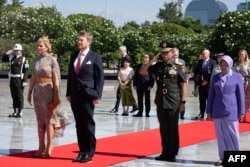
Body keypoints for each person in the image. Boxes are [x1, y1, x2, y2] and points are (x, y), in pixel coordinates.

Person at [140, 46, 187, 162]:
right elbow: (142, 71)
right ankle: (165, 152)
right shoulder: (158, 66)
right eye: (163, 53)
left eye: (167, 53)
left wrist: (183, 101)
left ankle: (172, 153)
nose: (165, 55)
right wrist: (153, 59)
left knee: (172, 128)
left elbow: (183, 84)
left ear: (172, 54)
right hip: (161, 101)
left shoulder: (178, 67)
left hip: (173, 101)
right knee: (164, 128)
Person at [66, 30, 104, 163]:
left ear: (88, 42)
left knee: (88, 124)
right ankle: (82, 151)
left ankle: (89, 152)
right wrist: (69, 93)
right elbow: (71, 76)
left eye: (81, 40)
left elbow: (100, 78)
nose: (79, 42)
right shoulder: (74, 56)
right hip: (75, 95)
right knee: (79, 125)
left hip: (88, 95)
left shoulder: (95, 57)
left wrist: (97, 95)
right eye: (78, 40)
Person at [206, 55, 245, 166]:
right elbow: (211, 95)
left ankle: (236, 158)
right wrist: (209, 111)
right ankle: (223, 157)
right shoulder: (216, 77)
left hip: (231, 109)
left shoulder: (237, 77)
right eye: (222, 65)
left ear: (230, 65)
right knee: (220, 135)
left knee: (233, 134)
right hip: (217, 110)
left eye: (226, 65)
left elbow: (240, 95)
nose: (223, 67)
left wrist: (241, 111)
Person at [27, 36, 62, 157]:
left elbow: (56, 78)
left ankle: (49, 145)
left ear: (47, 47)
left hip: (49, 92)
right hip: (38, 92)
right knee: (40, 120)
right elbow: (33, 77)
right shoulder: (35, 60)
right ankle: (41, 145)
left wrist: (56, 94)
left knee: (49, 121)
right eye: (37, 45)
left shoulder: (52, 60)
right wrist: (29, 92)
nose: (39, 48)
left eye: (41, 46)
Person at [109, 46, 138, 113]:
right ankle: (135, 106)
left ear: (124, 51)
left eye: (121, 51)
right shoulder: (123, 57)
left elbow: (129, 69)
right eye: (120, 51)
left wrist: (126, 80)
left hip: (126, 79)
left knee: (121, 94)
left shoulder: (127, 58)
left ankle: (116, 108)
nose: (120, 52)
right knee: (125, 94)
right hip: (122, 79)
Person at [193, 49, 216, 120]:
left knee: (209, 99)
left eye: (204, 54)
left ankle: (210, 113)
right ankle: (201, 113)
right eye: (202, 54)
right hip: (201, 84)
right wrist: (193, 74)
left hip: (209, 85)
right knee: (201, 100)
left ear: (208, 54)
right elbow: (196, 71)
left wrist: (208, 81)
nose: (203, 55)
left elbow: (213, 73)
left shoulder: (212, 62)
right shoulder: (199, 62)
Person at [8, 44, 29, 118]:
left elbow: (26, 70)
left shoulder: (24, 59)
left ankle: (20, 112)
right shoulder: (12, 58)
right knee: (13, 96)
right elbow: (3, 59)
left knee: (19, 96)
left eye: (18, 50)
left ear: (21, 50)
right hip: (12, 79)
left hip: (19, 79)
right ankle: (15, 111)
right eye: (15, 50)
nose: (16, 51)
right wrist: (7, 53)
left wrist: (25, 80)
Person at [233, 49, 250, 123]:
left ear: (245, 55)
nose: (241, 56)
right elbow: (233, 74)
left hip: (247, 83)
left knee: (246, 100)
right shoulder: (236, 64)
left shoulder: (248, 64)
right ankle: (239, 115)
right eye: (240, 54)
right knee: (238, 99)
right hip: (238, 83)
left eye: (243, 54)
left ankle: (245, 116)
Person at [172, 47, 188, 120]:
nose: (175, 56)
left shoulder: (182, 61)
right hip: (173, 83)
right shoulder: (170, 61)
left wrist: (187, 80)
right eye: (174, 54)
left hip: (181, 83)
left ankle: (182, 114)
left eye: (176, 54)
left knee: (182, 98)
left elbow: (185, 72)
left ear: (178, 54)